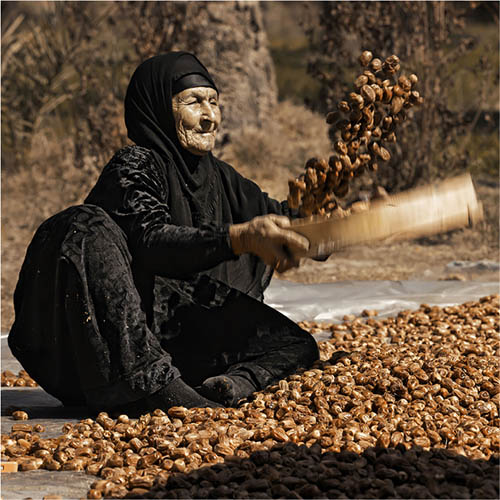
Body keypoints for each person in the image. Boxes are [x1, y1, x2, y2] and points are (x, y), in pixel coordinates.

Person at [8, 52, 319, 413]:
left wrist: (341, 223)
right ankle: (155, 388)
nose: (210, 117)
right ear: (158, 108)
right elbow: (151, 241)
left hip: (176, 335)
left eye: (214, 102)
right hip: (104, 350)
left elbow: (283, 223)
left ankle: (227, 387)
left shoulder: (220, 177)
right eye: (194, 102)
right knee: (83, 222)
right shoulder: (136, 166)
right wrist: (238, 238)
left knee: (295, 344)